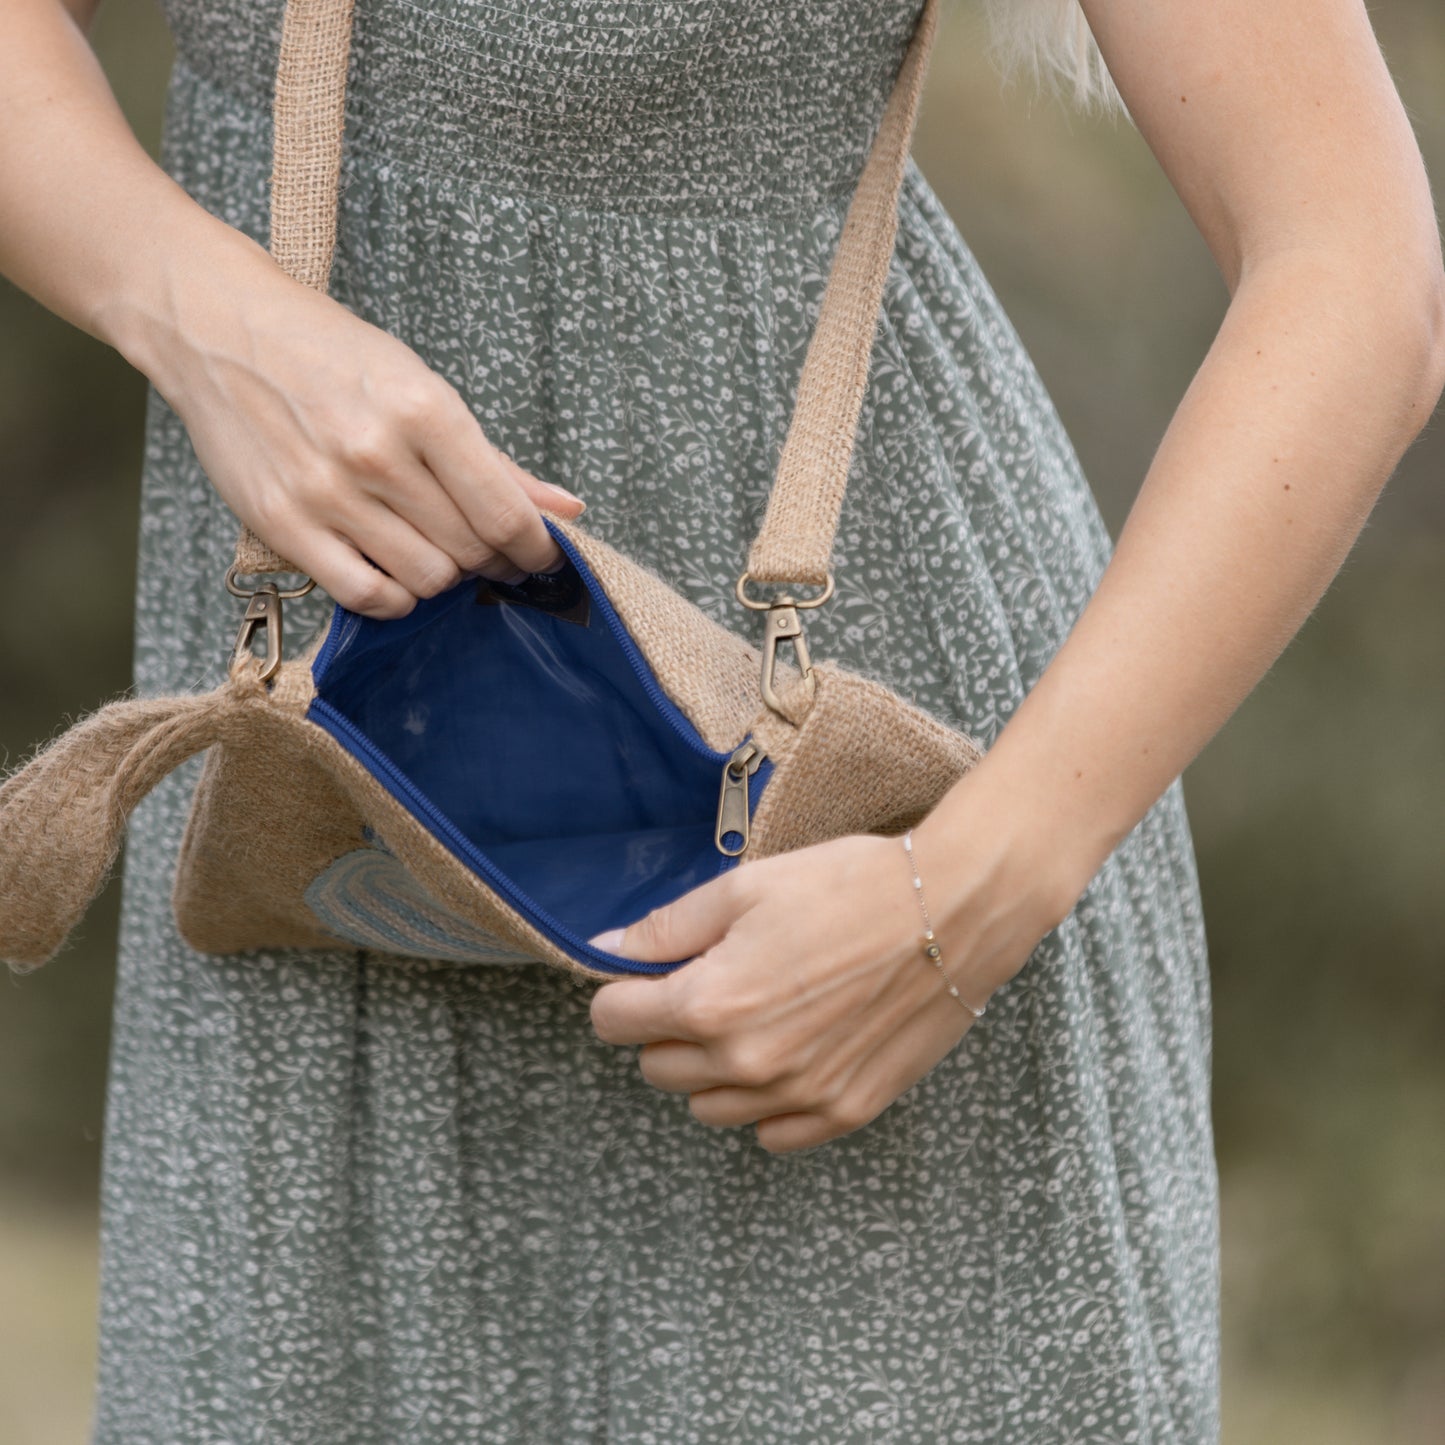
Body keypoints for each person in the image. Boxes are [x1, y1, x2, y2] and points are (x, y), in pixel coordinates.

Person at [2, 0, 1441, 1439]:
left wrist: (965, 896)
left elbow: (1353, 268)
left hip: (843, 863)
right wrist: (197, 310)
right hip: (330, 825)